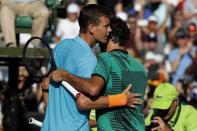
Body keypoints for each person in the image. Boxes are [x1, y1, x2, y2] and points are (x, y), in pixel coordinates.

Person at [41, 5, 142, 131]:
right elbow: (88, 96)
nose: (110, 30)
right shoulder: (89, 59)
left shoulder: (61, 46)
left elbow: (45, 85)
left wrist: (54, 118)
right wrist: (121, 99)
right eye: (106, 26)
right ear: (91, 28)